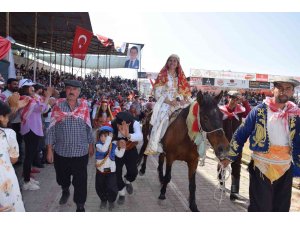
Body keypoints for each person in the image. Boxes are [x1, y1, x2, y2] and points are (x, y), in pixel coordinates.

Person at [222, 78, 300, 211]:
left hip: (285, 169)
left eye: (288, 88)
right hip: (261, 168)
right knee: (260, 209)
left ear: (292, 92)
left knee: (281, 210)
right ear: (273, 90)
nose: (283, 91)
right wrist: (229, 157)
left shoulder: (295, 114)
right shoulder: (259, 111)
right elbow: (241, 133)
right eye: (280, 87)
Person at [46, 80, 94, 212]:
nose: (72, 91)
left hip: (80, 152)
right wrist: (49, 150)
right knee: (62, 178)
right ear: (65, 91)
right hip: (61, 152)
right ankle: (65, 189)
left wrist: (91, 145)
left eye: (75, 89)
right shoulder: (58, 106)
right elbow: (52, 129)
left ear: (79, 92)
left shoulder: (84, 106)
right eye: (69, 88)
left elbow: (88, 127)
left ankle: (80, 205)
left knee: (81, 180)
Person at [144, 54, 191, 155]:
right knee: (163, 118)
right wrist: (169, 102)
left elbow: (183, 92)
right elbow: (157, 93)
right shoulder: (163, 75)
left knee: (192, 115)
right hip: (165, 101)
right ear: (167, 62)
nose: (173, 62)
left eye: (175, 61)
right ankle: (158, 142)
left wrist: (183, 99)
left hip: (178, 101)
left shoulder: (180, 77)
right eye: (171, 60)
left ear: (178, 64)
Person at [19, 79, 52, 191]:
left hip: (34, 129)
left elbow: (44, 107)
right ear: (25, 88)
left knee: (31, 155)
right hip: (30, 130)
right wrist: (47, 97)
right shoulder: (25, 98)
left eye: (32, 86)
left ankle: (27, 177)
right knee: (29, 156)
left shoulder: (30, 98)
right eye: (30, 86)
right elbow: (42, 108)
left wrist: (43, 98)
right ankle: (26, 181)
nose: (32, 88)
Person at [218, 90, 251, 200]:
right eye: (232, 98)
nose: (233, 101)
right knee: (222, 164)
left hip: (237, 143)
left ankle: (234, 191)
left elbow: (249, 113)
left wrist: (245, 101)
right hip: (223, 143)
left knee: (236, 166)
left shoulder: (240, 111)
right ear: (228, 98)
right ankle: (221, 183)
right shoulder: (221, 110)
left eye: (236, 99)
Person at [111, 111, 143, 204]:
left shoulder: (135, 123)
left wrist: (128, 135)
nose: (124, 127)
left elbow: (140, 137)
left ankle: (128, 180)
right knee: (116, 173)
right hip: (117, 151)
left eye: (127, 124)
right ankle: (121, 192)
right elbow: (104, 137)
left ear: (129, 123)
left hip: (130, 150)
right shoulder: (112, 124)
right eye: (121, 125)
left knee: (133, 171)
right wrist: (116, 142)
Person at [0, 101, 25, 212]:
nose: (8, 119)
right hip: (5, 179)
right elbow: (14, 159)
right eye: (7, 116)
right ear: (1, 117)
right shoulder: (8, 134)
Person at [95, 125, 125, 211]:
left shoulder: (113, 146)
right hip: (100, 172)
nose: (103, 138)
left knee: (112, 188)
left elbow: (119, 155)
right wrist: (109, 139)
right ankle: (103, 200)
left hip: (111, 172)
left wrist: (123, 148)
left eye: (105, 136)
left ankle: (111, 201)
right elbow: (104, 149)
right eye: (101, 136)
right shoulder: (98, 145)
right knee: (100, 187)